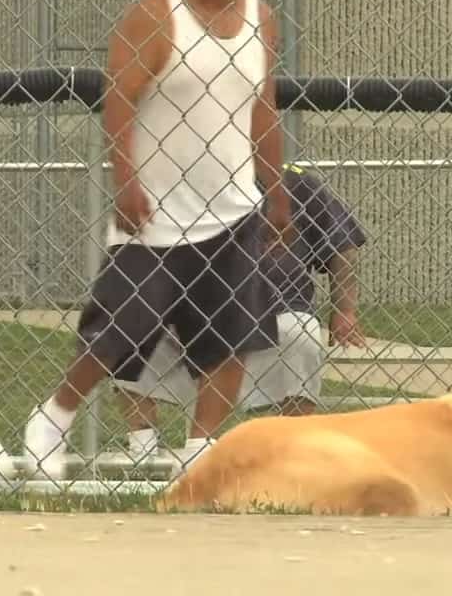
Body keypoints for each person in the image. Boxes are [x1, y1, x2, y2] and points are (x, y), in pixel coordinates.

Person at [22, 0, 289, 479]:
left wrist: (277, 191)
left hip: (235, 209)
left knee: (231, 336)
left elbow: (262, 109)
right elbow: (119, 96)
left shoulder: (262, 19)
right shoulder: (157, 9)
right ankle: (53, 420)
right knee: (119, 328)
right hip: (157, 210)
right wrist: (126, 179)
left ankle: (198, 452)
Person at [113, 163, 369, 461]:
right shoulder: (185, 182)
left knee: (301, 337)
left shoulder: (296, 184)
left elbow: (343, 246)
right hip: (195, 312)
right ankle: (143, 448)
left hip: (277, 309)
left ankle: (290, 449)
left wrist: (345, 310)